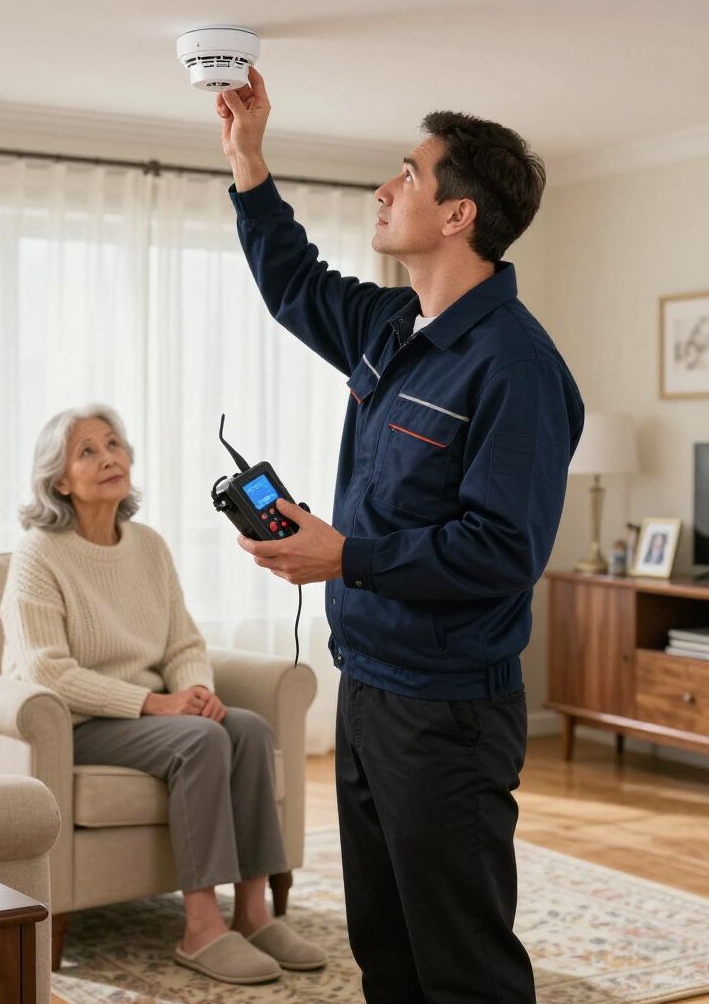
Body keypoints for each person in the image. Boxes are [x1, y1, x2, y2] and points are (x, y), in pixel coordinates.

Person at [216, 68, 584, 1003]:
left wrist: (348, 555)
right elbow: (291, 283)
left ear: (458, 215)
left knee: (461, 963)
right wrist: (248, 159)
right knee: (387, 947)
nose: (386, 191)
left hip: (450, 710)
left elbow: (503, 550)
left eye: (409, 176)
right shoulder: (393, 323)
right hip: (372, 686)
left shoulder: (519, 369)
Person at [0, 404, 326, 985]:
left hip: (154, 715)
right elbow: (48, 673)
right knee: (199, 741)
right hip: (80, 721)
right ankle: (201, 929)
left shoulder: (147, 545)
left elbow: (182, 641)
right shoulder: (38, 555)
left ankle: (252, 914)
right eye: (88, 451)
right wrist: (156, 705)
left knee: (247, 728)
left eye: (114, 444)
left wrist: (195, 688)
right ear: (59, 481)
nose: (109, 458)